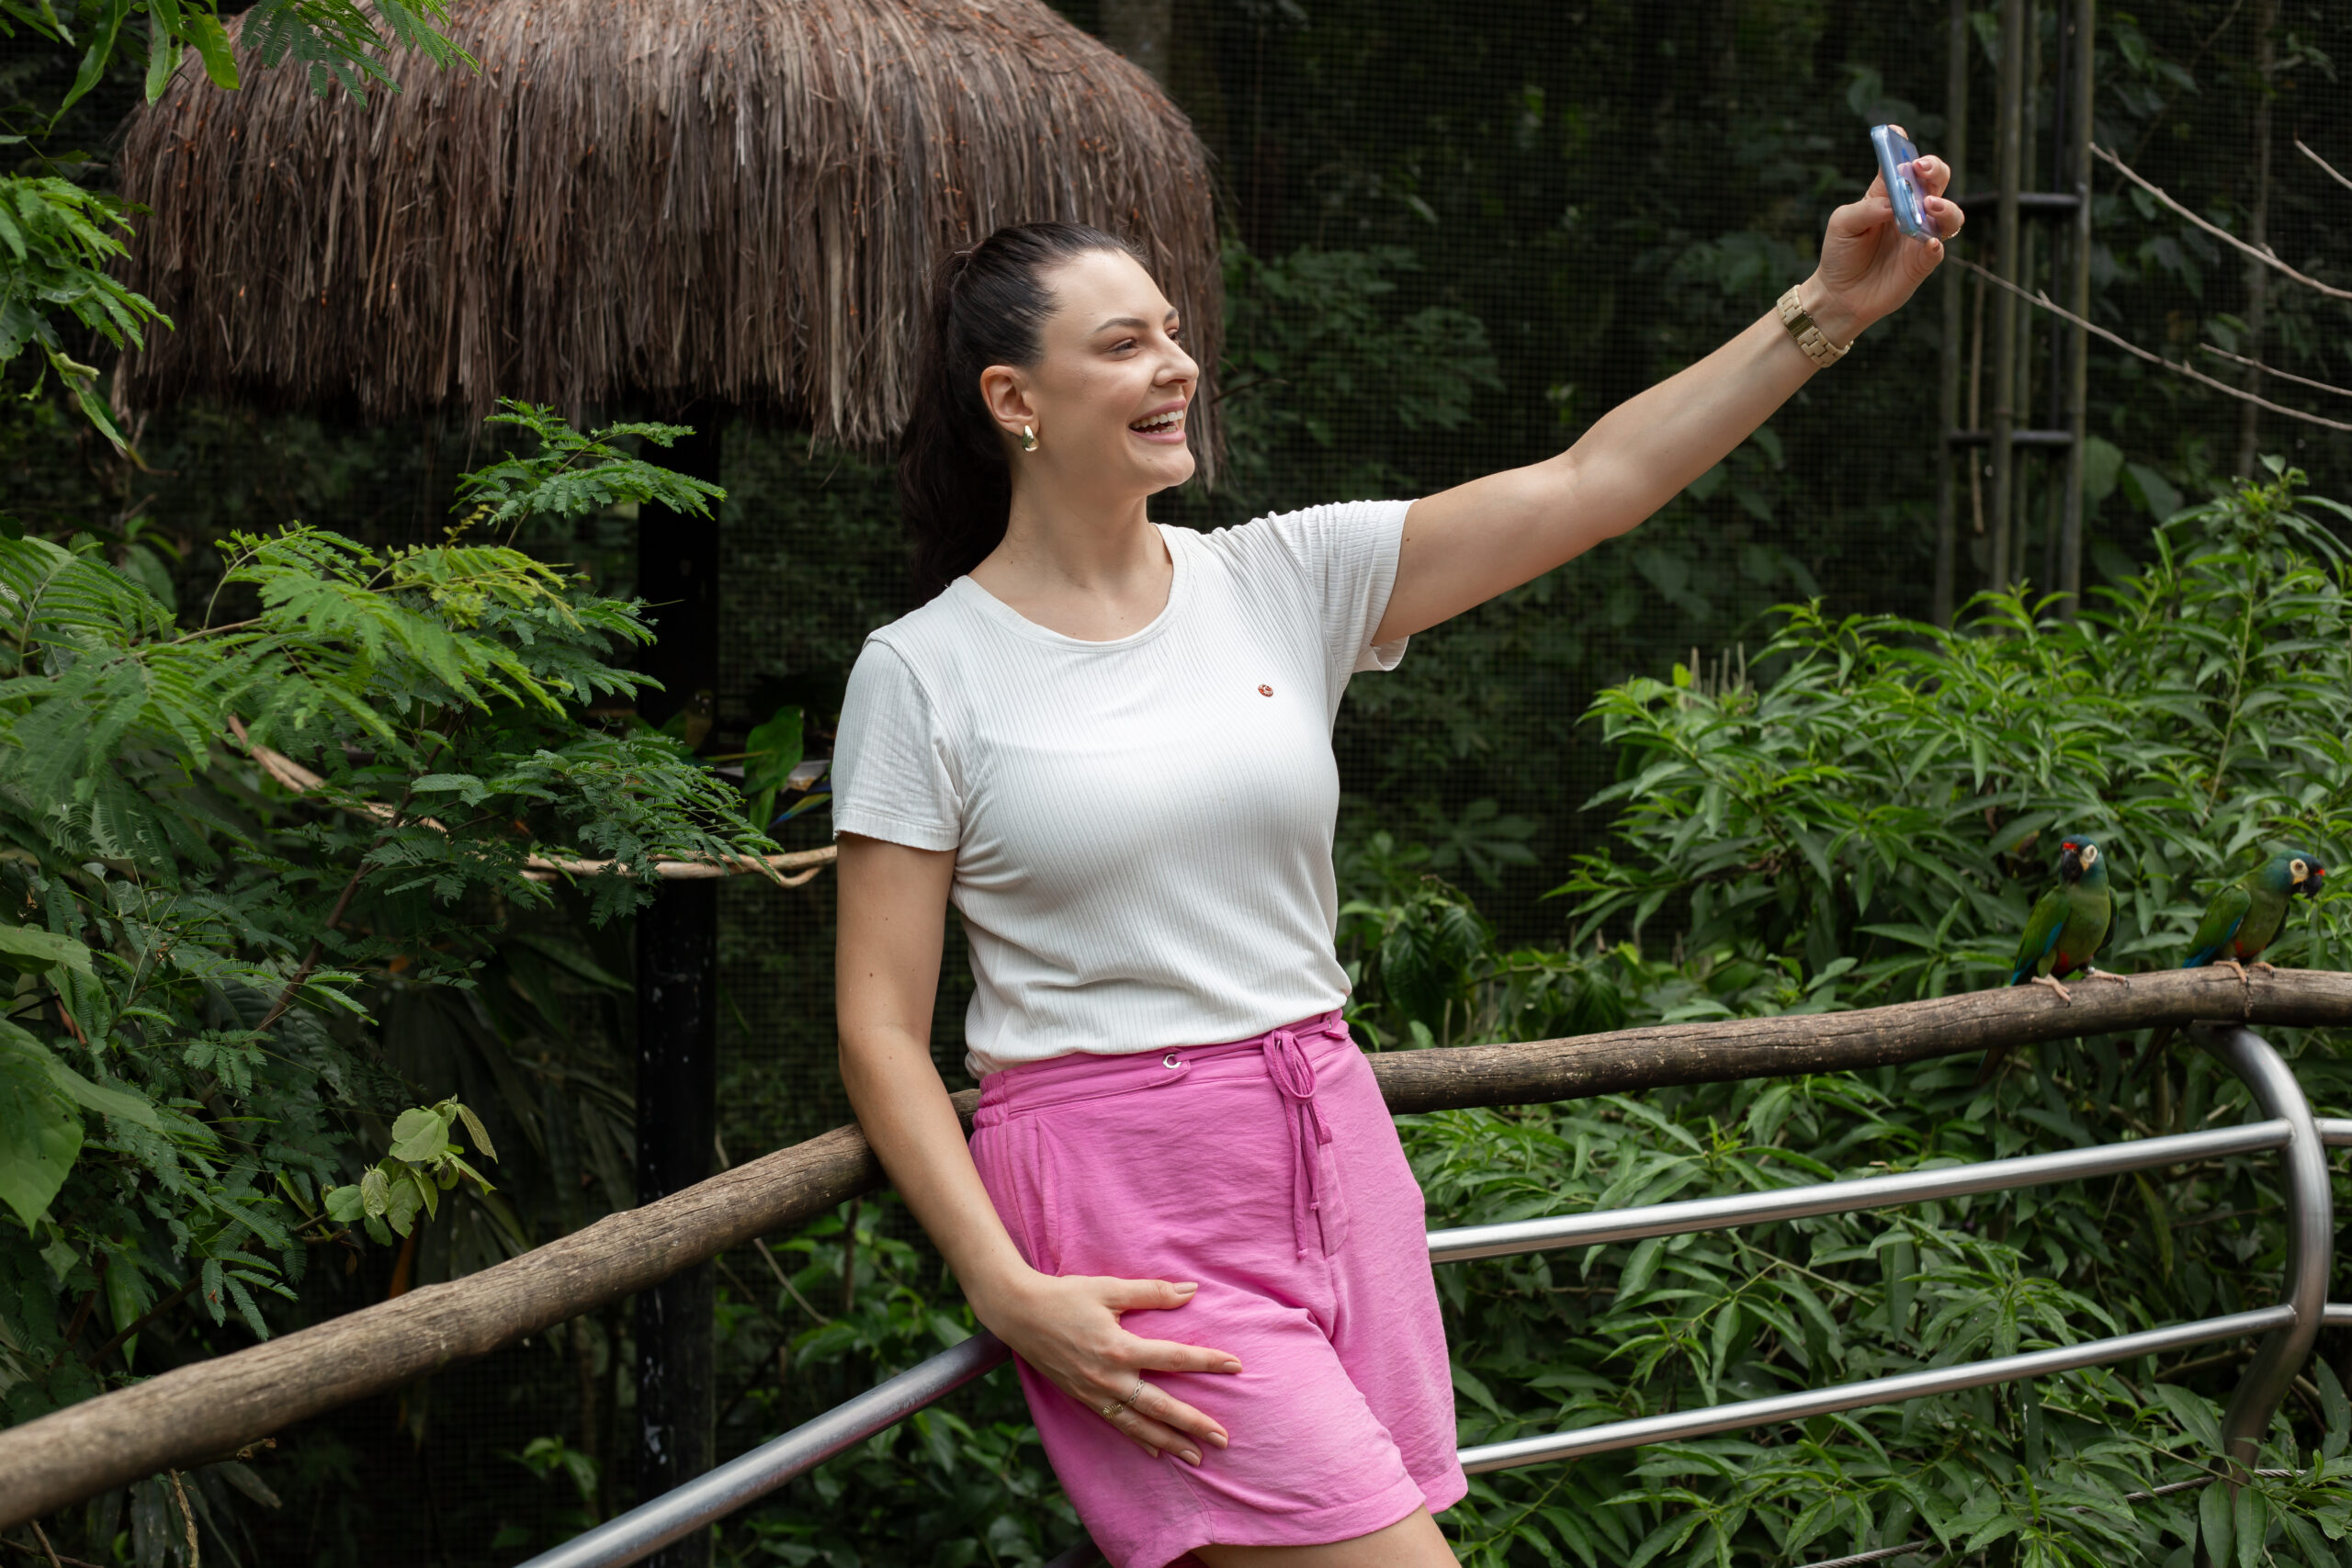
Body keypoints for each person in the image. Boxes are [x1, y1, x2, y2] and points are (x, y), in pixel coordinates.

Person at [831, 146, 1961, 1568]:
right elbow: (879, 1026)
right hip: (1131, 1209)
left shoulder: (1278, 578)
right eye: (1124, 344)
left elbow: (1593, 483)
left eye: (1175, 331)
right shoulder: (924, 671)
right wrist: (1000, 1284)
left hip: (1332, 1139)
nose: (1175, 365)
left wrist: (1827, 310)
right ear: (1015, 401)